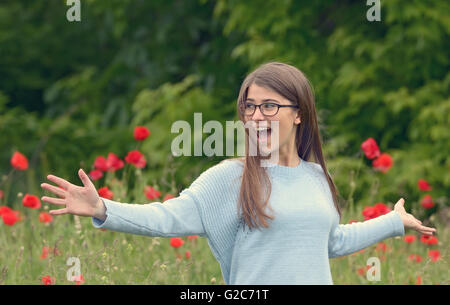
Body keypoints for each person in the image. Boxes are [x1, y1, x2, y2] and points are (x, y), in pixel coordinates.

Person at [40, 62, 436, 285]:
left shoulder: (318, 178)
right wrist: (102, 208)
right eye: (249, 106)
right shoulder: (229, 178)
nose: (255, 116)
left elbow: (331, 242)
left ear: (298, 114)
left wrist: (393, 222)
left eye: (269, 106)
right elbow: (167, 218)